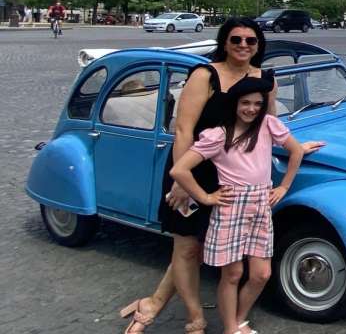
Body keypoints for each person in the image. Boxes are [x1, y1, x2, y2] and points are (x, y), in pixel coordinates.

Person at [118, 17, 325, 334]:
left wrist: (296, 146)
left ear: (259, 44)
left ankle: (155, 303)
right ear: (224, 42)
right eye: (236, 39)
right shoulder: (205, 74)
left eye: (250, 40)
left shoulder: (264, 78)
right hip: (196, 167)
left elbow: (267, 125)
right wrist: (181, 182)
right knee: (187, 248)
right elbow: (185, 128)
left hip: (235, 173)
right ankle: (195, 319)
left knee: (208, 248)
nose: (243, 45)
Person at [170, 77, 305, 334]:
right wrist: (206, 197)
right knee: (232, 273)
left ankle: (239, 318)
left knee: (261, 273)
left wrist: (284, 186)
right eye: (245, 103)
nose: (251, 109)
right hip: (232, 206)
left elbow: (296, 151)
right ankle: (231, 328)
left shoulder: (268, 125)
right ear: (235, 104)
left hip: (261, 203)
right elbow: (180, 169)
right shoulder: (219, 135)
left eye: (257, 103)